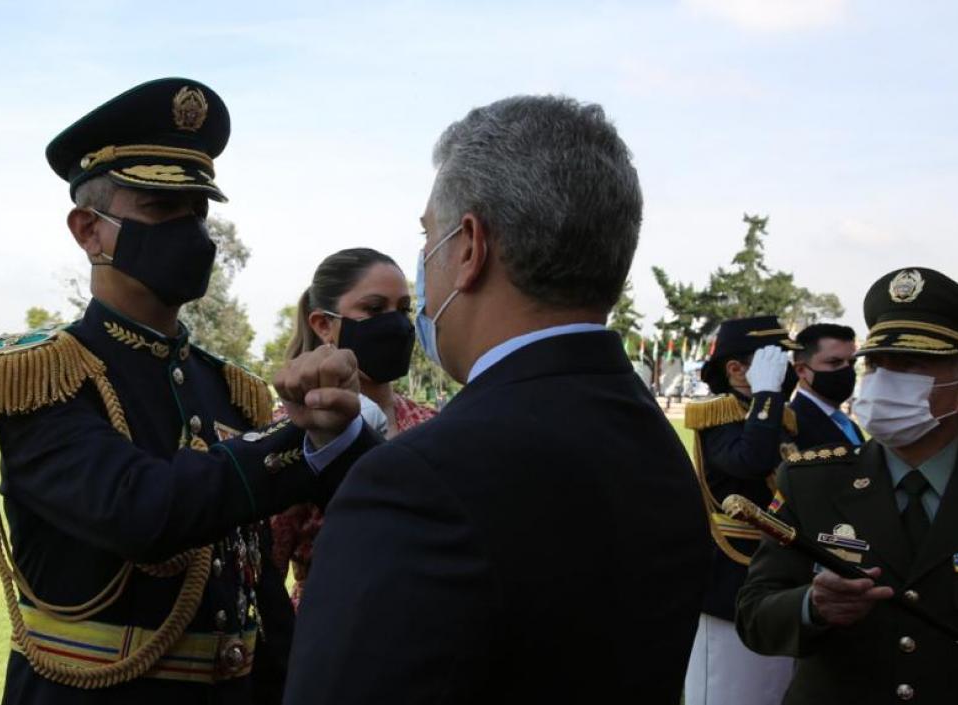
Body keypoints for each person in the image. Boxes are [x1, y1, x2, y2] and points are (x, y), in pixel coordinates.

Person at [283, 94, 711, 704]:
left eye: (428, 237)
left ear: (469, 248)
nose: (423, 266)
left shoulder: (415, 486)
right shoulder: (656, 446)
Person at [0, 77, 374, 705]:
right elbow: (142, 511)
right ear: (87, 231)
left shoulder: (227, 386)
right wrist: (304, 439)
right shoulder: (42, 376)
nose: (192, 233)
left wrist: (339, 428)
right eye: (160, 209)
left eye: (197, 212)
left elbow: (253, 585)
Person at [737, 267, 958, 704]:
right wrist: (812, 606)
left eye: (911, 365)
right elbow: (755, 616)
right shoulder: (811, 481)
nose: (884, 380)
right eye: (877, 364)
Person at [270, 248, 437, 605]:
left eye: (403, 309)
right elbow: (266, 567)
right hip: (329, 632)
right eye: (375, 309)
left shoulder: (432, 423)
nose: (397, 324)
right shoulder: (298, 430)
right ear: (323, 325)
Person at [683, 315, 799, 705]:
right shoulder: (718, 415)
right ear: (735, 369)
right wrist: (767, 396)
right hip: (733, 571)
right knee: (731, 690)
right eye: (774, 362)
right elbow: (750, 460)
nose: (786, 371)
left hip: (779, 568)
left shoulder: (778, 417)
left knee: (772, 688)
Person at [789, 323, 864, 450]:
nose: (847, 370)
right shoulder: (792, 427)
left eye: (851, 362)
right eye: (834, 362)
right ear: (801, 370)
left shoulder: (847, 424)